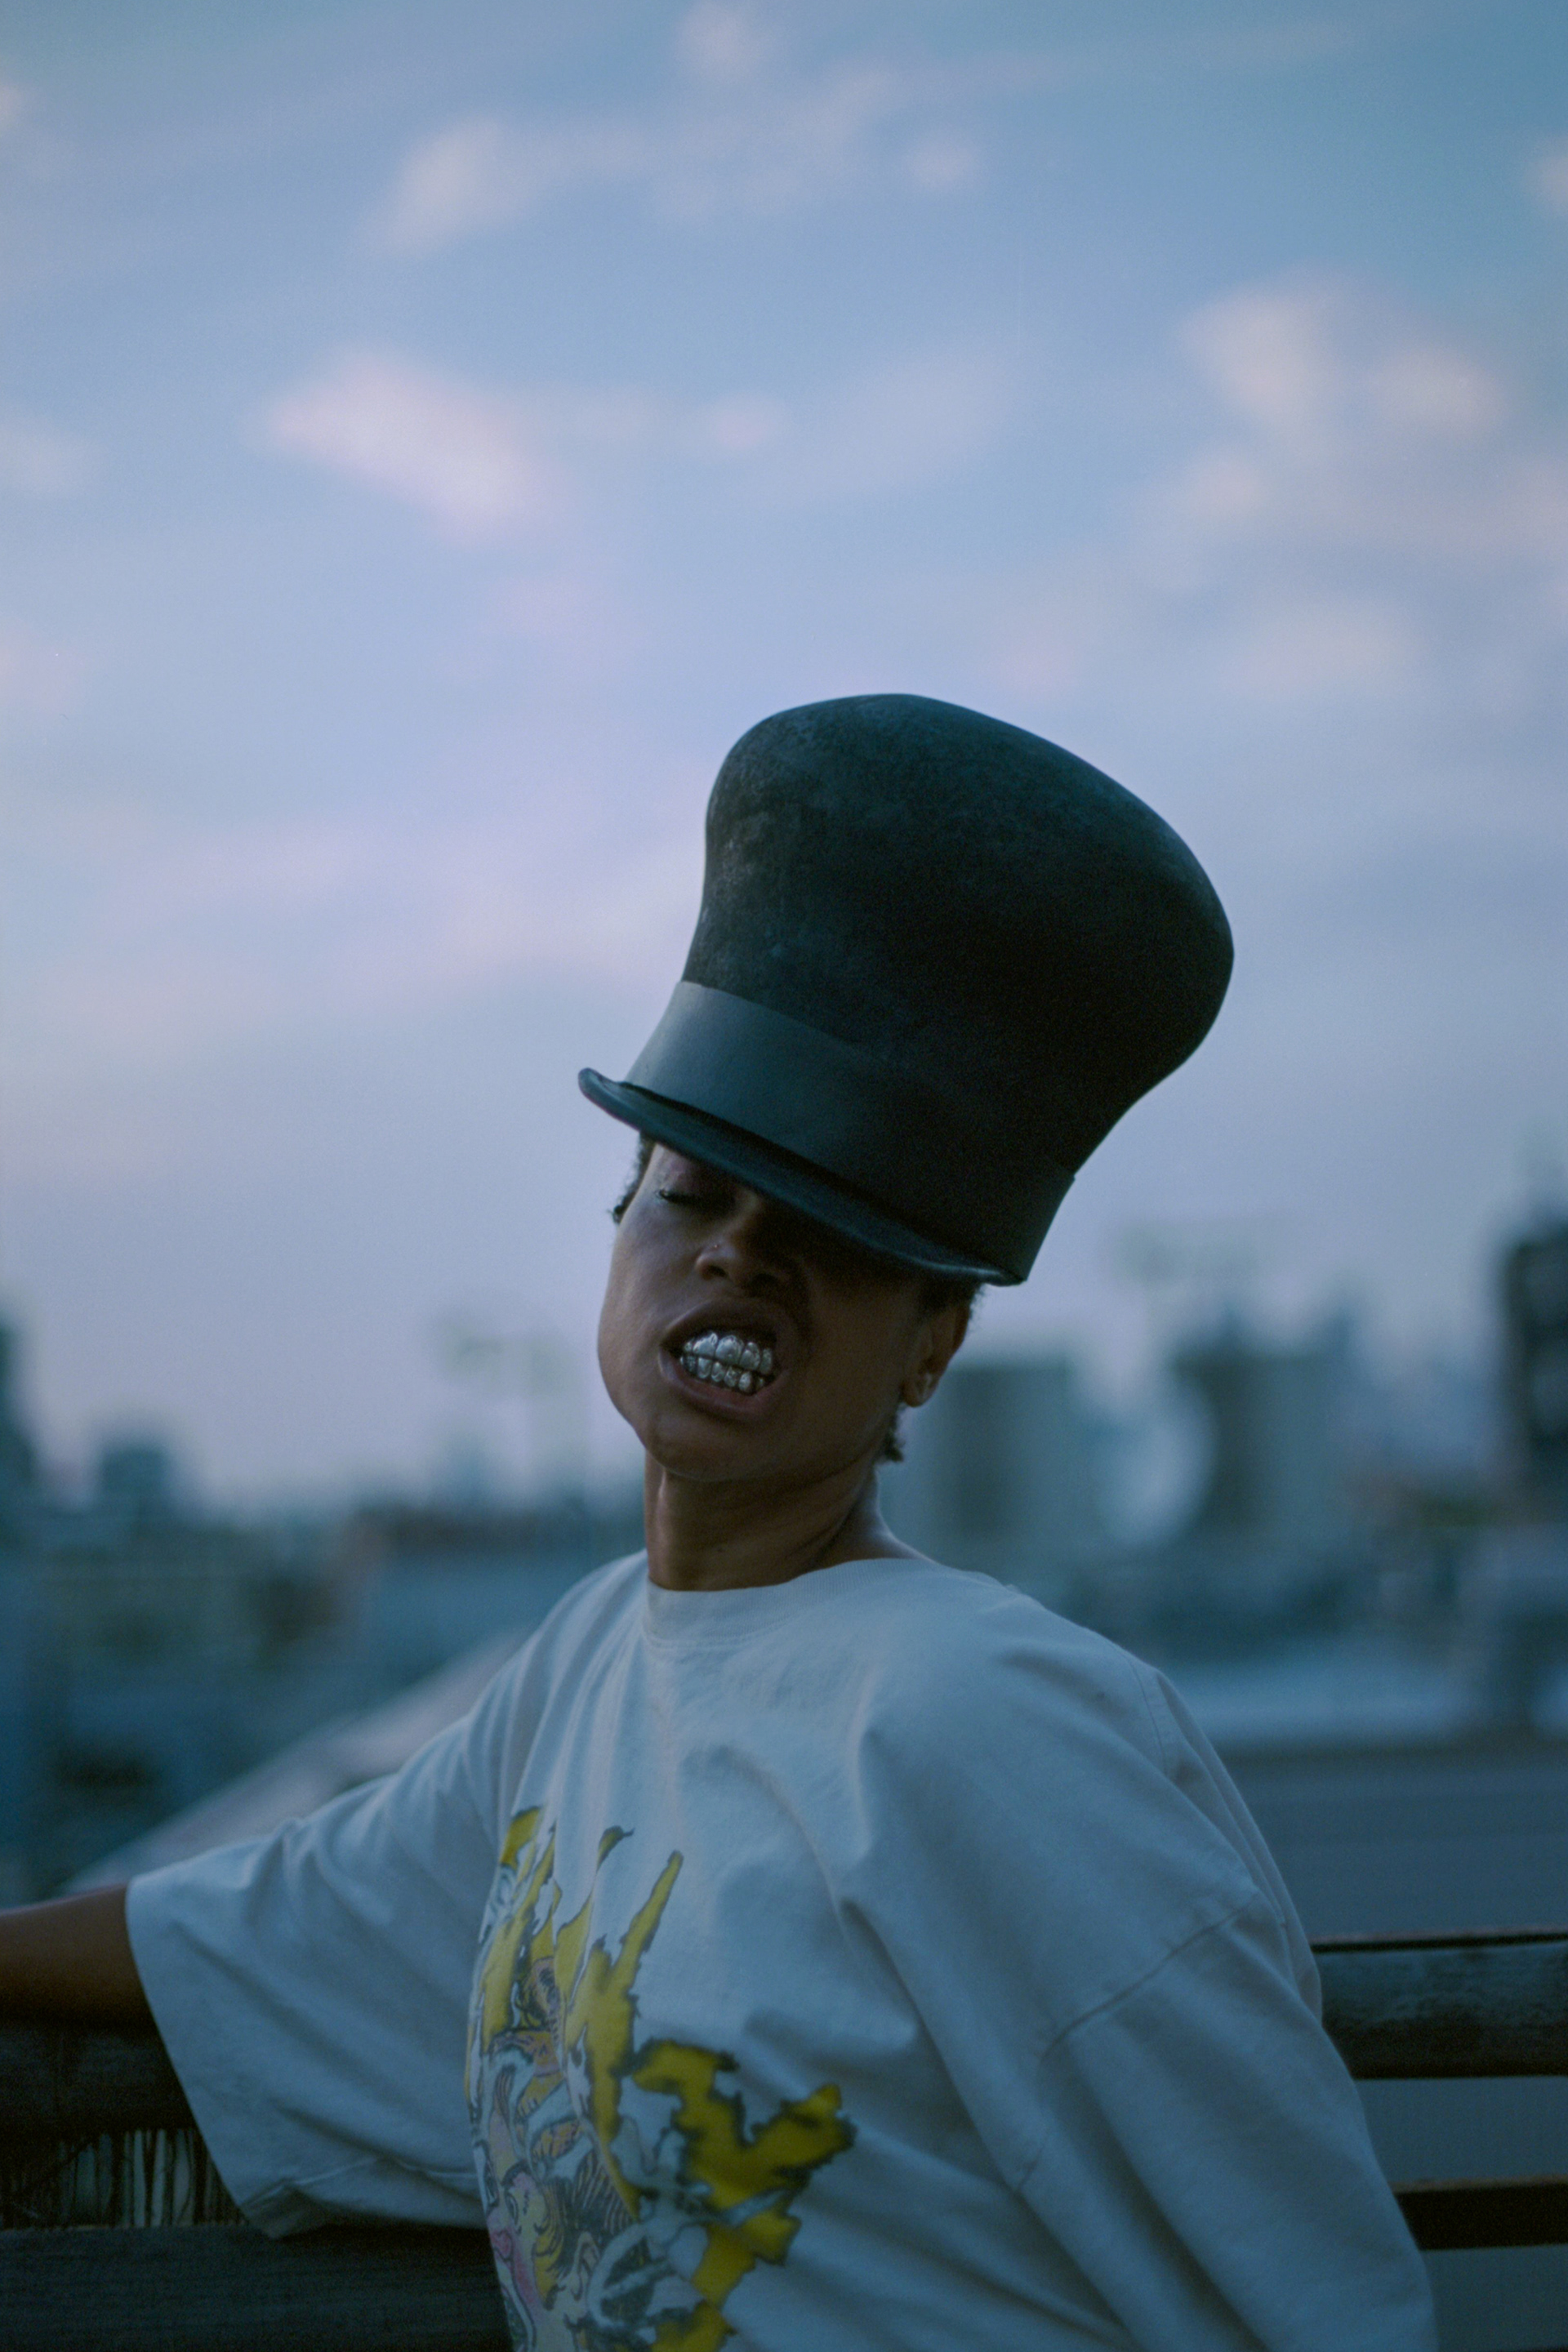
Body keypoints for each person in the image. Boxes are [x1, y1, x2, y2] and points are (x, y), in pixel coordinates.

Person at [0, 697, 1435, 2350]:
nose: (740, 1252)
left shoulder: (997, 1727)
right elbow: (272, 1933)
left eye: (831, 1230)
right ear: (619, 1230)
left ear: (933, 1347)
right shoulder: (591, 1664)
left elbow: (1316, 2302)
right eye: (690, 1192)